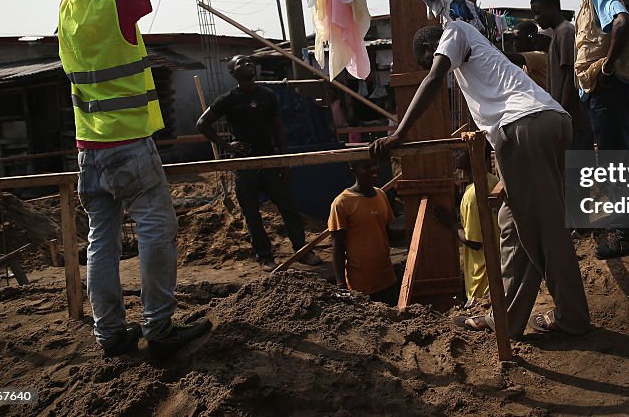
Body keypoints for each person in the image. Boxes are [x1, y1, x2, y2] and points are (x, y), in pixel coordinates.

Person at [56, 0, 211, 360]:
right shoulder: (115, 4)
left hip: (88, 150)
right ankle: (159, 329)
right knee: (155, 231)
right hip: (128, 147)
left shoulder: (68, 10)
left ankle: (110, 335)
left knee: (101, 241)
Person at [370, 21, 590, 339]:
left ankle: (572, 317)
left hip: (525, 126)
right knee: (514, 226)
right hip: (544, 122)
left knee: (547, 229)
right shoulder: (477, 65)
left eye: (426, 61)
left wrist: (399, 134)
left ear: (433, 49)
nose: (433, 68)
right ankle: (505, 318)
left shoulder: (455, 30)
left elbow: (433, 78)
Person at [561, 0, 629, 260]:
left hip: (606, 92)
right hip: (602, 93)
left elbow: (622, 22)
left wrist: (607, 67)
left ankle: (627, 237)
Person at [197, 56, 321, 270]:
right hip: (245, 164)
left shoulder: (267, 95)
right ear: (233, 73)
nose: (248, 65)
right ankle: (264, 256)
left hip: (269, 159)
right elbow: (202, 123)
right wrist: (227, 147)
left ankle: (302, 251)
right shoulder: (228, 99)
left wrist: (284, 159)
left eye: (249, 62)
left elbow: (278, 128)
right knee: (252, 213)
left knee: (288, 206)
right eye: (241, 64)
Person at [329, 158, 400, 304]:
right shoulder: (342, 203)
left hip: (386, 278)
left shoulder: (381, 195)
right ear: (353, 171)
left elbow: (386, 233)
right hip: (360, 285)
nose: (373, 169)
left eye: (374, 164)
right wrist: (341, 285)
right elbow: (337, 247)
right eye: (366, 167)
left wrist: (415, 230)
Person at [436, 148, 501, 308]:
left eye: (462, 150)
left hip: (482, 282)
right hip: (494, 271)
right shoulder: (492, 181)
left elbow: (474, 242)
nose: (456, 153)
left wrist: (451, 224)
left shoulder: (473, 195)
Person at [530, 0, 594, 151]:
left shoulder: (565, 32)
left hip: (573, 117)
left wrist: (562, 111)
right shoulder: (558, 33)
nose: (536, 19)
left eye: (538, 13)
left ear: (552, 8)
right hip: (567, 116)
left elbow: (570, 74)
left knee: (578, 169)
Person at [503, 20, 549, 91]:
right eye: (513, 40)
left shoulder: (539, 56)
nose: (514, 44)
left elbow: (506, 56)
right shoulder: (527, 60)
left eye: (518, 39)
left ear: (532, 39)